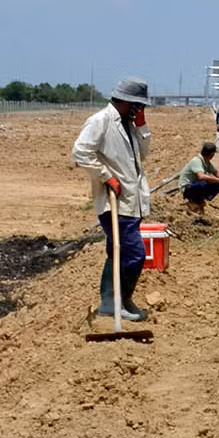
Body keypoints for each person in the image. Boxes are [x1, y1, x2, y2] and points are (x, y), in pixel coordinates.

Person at [72, 77, 154, 321]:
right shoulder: (102, 121)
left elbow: (144, 154)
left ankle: (110, 301)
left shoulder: (128, 125)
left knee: (116, 252)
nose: (140, 110)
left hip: (132, 201)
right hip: (115, 202)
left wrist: (142, 126)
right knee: (136, 254)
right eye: (139, 107)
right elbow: (80, 152)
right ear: (127, 102)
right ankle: (122, 299)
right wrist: (107, 177)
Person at [177, 141, 219, 212]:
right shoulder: (197, 161)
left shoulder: (205, 161)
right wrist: (217, 179)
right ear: (211, 154)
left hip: (194, 185)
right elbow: (201, 176)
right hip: (187, 188)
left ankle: (199, 199)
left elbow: (216, 173)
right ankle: (193, 199)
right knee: (204, 182)